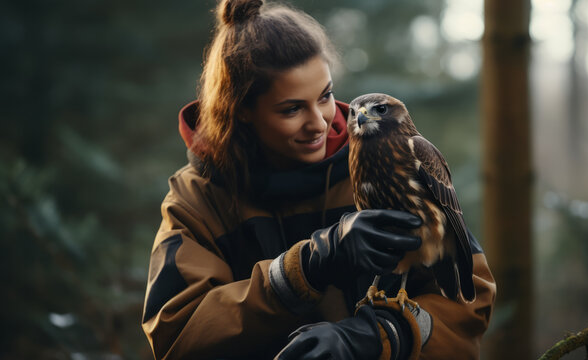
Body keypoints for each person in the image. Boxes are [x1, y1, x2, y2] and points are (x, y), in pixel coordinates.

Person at [141, 0, 497, 359]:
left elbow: (470, 304)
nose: (320, 123)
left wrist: (379, 337)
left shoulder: (389, 161)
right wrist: (302, 270)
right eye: (292, 108)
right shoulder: (197, 198)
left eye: (325, 96)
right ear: (242, 111)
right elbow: (176, 338)